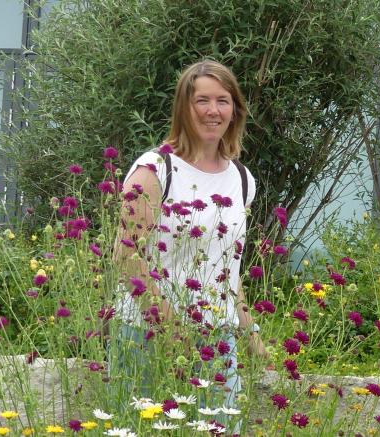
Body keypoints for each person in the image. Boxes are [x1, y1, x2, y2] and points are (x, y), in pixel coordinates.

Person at [110, 60, 266, 431]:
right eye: (202, 100)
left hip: (217, 339)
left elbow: (228, 268)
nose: (213, 111)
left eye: (223, 101)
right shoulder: (155, 169)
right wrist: (172, 328)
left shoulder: (242, 180)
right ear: (184, 106)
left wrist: (250, 332)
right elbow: (125, 256)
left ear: (235, 110)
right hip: (146, 336)